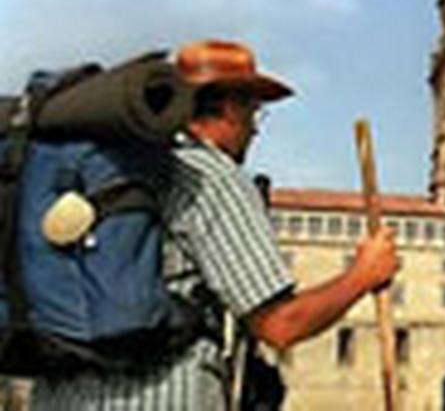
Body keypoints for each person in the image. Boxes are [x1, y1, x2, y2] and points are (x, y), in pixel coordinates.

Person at [31, 40, 398, 410]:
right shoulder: (209, 176)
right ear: (228, 108)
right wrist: (363, 275)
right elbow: (281, 324)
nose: (254, 131)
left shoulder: (106, 168)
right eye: (254, 114)